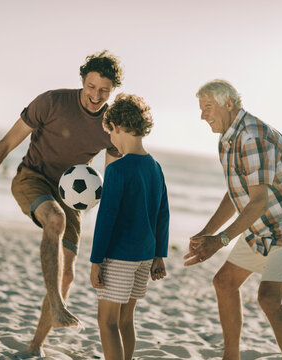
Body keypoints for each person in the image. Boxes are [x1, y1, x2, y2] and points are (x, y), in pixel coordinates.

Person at [0, 50, 123, 356]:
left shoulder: (111, 124)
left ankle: (35, 346)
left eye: (104, 91)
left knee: (68, 273)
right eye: (91, 86)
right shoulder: (52, 102)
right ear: (82, 81)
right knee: (54, 220)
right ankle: (58, 304)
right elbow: (7, 143)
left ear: (112, 91)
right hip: (31, 178)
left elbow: (113, 181)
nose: (96, 96)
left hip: (71, 194)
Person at [184, 79, 282, 360]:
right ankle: (231, 357)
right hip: (263, 222)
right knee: (224, 282)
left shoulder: (252, 137)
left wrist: (221, 240)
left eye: (208, 107)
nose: (203, 115)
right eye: (201, 109)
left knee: (269, 299)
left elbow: (259, 201)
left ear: (229, 104)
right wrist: (207, 233)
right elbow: (236, 193)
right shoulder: (227, 139)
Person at [90, 94, 169, 360]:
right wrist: (160, 255)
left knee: (107, 322)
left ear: (118, 127)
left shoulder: (117, 169)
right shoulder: (155, 167)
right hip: (145, 257)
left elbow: (106, 218)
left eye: (109, 133)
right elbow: (163, 215)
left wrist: (95, 261)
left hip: (119, 257)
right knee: (126, 320)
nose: (111, 140)